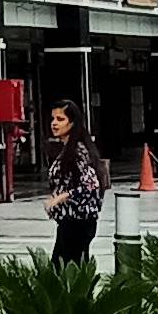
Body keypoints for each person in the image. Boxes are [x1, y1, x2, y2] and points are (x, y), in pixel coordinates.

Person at [40, 100, 106, 265]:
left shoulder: (78, 151)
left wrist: (60, 198)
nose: (54, 123)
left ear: (72, 122)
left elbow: (90, 186)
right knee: (66, 268)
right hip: (70, 222)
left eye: (60, 119)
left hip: (77, 224)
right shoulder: (68, 149)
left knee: (66, 270)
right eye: (53, 119)